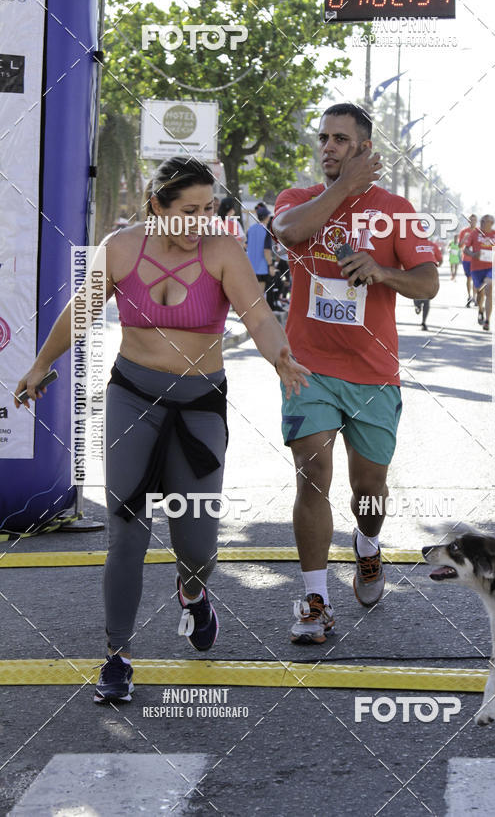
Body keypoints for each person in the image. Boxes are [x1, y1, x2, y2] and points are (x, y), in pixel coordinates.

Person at [15, 156, 309, 703]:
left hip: (200, 407)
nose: (202, 220)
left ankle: (193, 592)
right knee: (127, 531)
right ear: (158, 206)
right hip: (134, 400)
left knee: (196, 541)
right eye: (189, 211)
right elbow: (81, 312)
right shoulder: (122, 247)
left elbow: (259, 318)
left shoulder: (221, 250)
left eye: (209, 209)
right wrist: (39, 365)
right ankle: (117, 656)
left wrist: (281, 359)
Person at [272, 102, 439, 643]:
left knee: (369, 488)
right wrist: (343, 187)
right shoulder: (302, 199)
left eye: (341, 139)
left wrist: (382, 271)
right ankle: (314, 601)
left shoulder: (396, 209)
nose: (328, 147)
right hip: (309, 368)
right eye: (324, 138)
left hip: (372, 374)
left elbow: (428, 283)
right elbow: (289, 230)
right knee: (312, 473)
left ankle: (367, 547)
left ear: (366, 148)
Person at [463, 214, 495, 331]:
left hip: (491, 267)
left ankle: (487, 321)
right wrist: (473, 254)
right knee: (480, 293)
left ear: (491, 223)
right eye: (481, 221)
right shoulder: (474, 234)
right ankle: (480, 309)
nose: (481, 223)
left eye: (484, 221)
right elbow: (465, 249)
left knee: (489, 288)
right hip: (476, 268)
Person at [246, 203, 275, 295]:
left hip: (250, 266)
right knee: (259, 295)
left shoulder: (250, 229)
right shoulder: (266, 231)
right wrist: (271, 265)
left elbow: (245, 245)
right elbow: (266, 251)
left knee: (250, 293)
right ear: (266, 217)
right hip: (261, 268)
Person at [414, 239, 443, 331]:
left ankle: (423, 322)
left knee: (426, 300)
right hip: (417, 274)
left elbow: (440, 259)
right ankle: (417, 305)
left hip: (428, 276)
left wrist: (435, 267)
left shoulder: (433, 246)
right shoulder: (414, 244)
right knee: (416, 295)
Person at [458, 214, 477, 306]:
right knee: (469, 278)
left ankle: (475, 297)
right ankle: (469, 296)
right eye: (471, 220)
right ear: (468, 221)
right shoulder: (464, 232)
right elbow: (459, 246)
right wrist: (465, 238)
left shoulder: (479, 232)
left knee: (475, 278)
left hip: (476, 259)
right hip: (466, 259)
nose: (472, 222)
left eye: (474, 220)